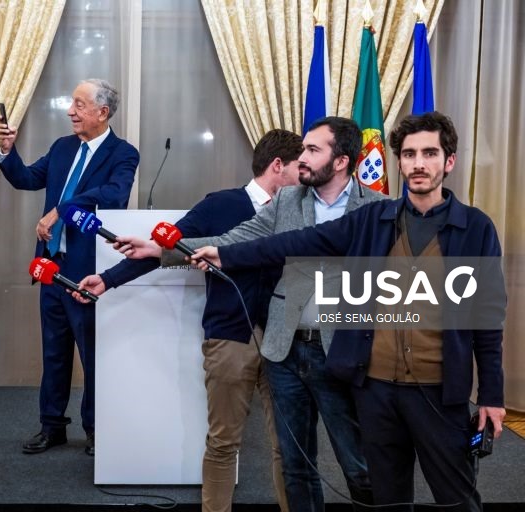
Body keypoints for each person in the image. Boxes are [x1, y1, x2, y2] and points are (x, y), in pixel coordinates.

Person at [191, 111, 506, 511]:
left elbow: (488, 318)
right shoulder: (373, 220)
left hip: (440, 391)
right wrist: (221, 253)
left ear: (449, 161)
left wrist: (493, 395)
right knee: (386, 498)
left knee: (456, 499)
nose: (419, 163)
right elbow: (293, 243)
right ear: (399, 162)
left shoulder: (475, 227)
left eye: (430, 153)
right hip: (376, 388)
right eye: (409, 154)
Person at [117, 117, 378, 511]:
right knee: (297, 461)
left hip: (343, 351)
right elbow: (233, 240)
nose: (301, 158)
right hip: (286, 350)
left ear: (341, 161)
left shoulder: (378, 209)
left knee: (358, 462)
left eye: (312, 150)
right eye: (302, 150)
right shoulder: (288, 201)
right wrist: (161, 250)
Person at [74, 129, 303, 512]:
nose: (306, 174)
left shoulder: (300, 210)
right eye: (300, 166)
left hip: (286, 341)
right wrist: (108, 280)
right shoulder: (219, 206)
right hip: (230, 339)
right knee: (223, 442)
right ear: (278, 166)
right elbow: (163, 250)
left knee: (290, 444)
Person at [0, 79, 139, 456]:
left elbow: (114, 196)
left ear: (102, 113)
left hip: (89, 271)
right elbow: (27, 178)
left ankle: (96, 429)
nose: (70, 111)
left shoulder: (123, 154)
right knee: (54, 352)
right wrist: (7, 152)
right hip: (51, 267)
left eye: (79, 104)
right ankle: (52, 426)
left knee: (92, 354)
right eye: (71, 103)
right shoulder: (62, 148)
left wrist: (63, 208)